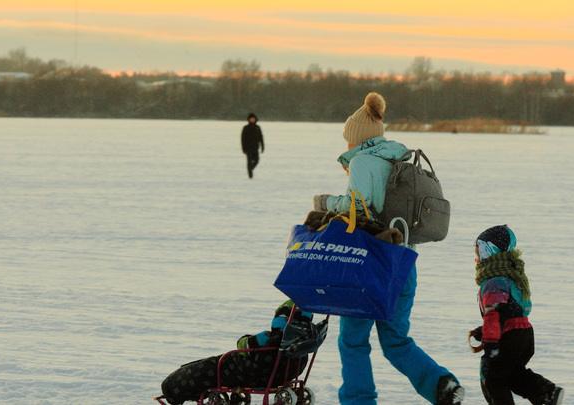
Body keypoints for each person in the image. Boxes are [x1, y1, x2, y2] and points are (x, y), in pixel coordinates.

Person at [312, 92, 464, 405]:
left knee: (353, 341)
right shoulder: (400, 160)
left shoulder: (362, 163)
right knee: (396, 339)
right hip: (404, 263)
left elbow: (357, 207)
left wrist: (326, 203)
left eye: (348, 140)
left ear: (357, 139)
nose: (347, 146)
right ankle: (442, 386)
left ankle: (359, 401)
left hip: (371, 265)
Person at [469, 225, 564, 405]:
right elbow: (506, 313)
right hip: (525, 335)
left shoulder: (493, 279)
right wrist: (484, 331)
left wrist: (490, 343)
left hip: (509, 338)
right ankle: (546, 393)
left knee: (492, 378)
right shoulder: (512, 274)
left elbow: (495, 314)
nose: (476, 259)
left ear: (489, 251)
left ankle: (545, 393)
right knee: (511, 374)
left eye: (478, 252)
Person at [160, 300, 313, 405]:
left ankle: (172, 389)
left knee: (208, 369)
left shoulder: (268, 339)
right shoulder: (302, 347)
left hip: (249, 374)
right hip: (280, 377)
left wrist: (248, 339)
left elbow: (242, 343)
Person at [240, 112, 264, 178]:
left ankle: (250, 169)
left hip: (255, 147)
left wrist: (262, 146)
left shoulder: (257, 127)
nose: (252, 120)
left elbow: (261, 138)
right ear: (248, 120)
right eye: (251, 119)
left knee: (256, 160)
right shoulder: (246, 128)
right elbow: (243, 139)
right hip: (248, 148)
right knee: (249, 161)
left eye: (253, 119)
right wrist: (243, 148)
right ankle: (250, 175)